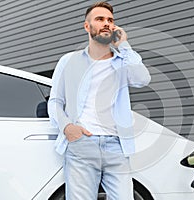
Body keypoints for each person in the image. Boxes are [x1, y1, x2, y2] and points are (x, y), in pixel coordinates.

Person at [48, 1, 151, 199]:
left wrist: (124, 45)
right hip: (82, 144)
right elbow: (55, 101)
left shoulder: (122, 61)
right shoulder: (69, 60)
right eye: (100, 19)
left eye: (110, 20)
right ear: (87, 26)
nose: (107, 23)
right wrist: (67, 127)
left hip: (116, 146)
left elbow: (143, 79)